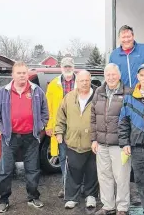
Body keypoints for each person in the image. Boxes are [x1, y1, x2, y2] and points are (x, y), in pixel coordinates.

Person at [0, 61, 49, 213]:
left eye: (24, 72)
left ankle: (33, 197)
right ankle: (3, 200)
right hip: (10, 137)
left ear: (27, 74)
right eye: (19, 73)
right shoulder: (3, 92)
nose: (22, 75)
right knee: (5, 170)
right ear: (13, 75)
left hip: (31, 137)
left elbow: (45, 112)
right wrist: (1, 127)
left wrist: (41, 125)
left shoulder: (37, 91)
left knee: (33, 169)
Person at [118, 63, 144, 215]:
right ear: (137, 77)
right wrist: (124, 143)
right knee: (141, 180)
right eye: (142, 75)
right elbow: (123, 122)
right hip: (136, 147)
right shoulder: (129, 98)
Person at [54, 70, 99, 210]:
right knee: (73, 171)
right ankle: (71, 197)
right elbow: (60, 116)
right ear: (76, 82)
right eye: (81, 81)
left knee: (92, 171)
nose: (84, 83)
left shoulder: (98, 96)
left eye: (87, 80)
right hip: (73, 142)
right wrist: (59, 132)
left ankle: (91, 196)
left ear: (90, 80)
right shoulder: (68, 97)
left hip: (92, 142)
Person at [91, 63, 132, 215]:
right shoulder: (99, 92)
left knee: (121, 176)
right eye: (108, 75)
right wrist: (93, 139)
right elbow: (93, 116)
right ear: (104, 76)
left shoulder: (127, 92)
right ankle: (108, 205)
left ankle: (122, 207)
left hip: (120, 144)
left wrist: (127, 141)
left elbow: (131, 119)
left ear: (119, 75)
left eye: (114, 74)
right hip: (101, 143)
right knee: (104, 175)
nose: (111, 77)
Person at [45, 57, 76, 198]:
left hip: (77, 128)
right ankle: (65, 187)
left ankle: (78, 187)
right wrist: (49, 125)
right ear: (61, 67)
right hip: (61, 129)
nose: (68, 68)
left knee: (79, 159)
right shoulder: (53, 84)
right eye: (65, 66)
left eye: (70, 66)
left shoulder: (80, 82)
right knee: (63, 158)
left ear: (73, 67)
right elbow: (48, 107)